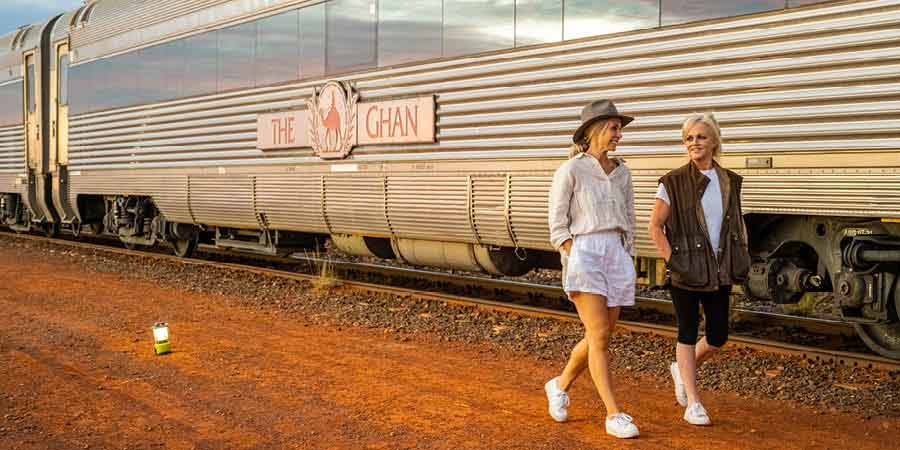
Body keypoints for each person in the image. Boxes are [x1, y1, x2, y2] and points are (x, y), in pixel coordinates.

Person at [648, 113, 751, 426]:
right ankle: (693, 402)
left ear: (715, 141)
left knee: (718, 335)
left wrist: (741, 256)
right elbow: (655, 226)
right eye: (689, 138)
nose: (694, 143)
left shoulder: (730, 181)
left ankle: (681, 368)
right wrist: (673, 262)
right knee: (688, 331)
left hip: (719, 270)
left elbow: (735, 224)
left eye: (701, 137)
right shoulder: (673, 182)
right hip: (687, 270)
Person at [545, 99, 639, 439]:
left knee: (600, 334)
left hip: (616, 253)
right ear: (594, 130)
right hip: (585, 251)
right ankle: (613, 414)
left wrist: (628, 256)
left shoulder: (623, 172)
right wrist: (576, 255)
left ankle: (559, 385)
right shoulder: (571, 170)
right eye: (614, 128)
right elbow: (557, 225)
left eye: (620, 129)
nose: (619, 135)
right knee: (599, 335)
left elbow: (629, 218)